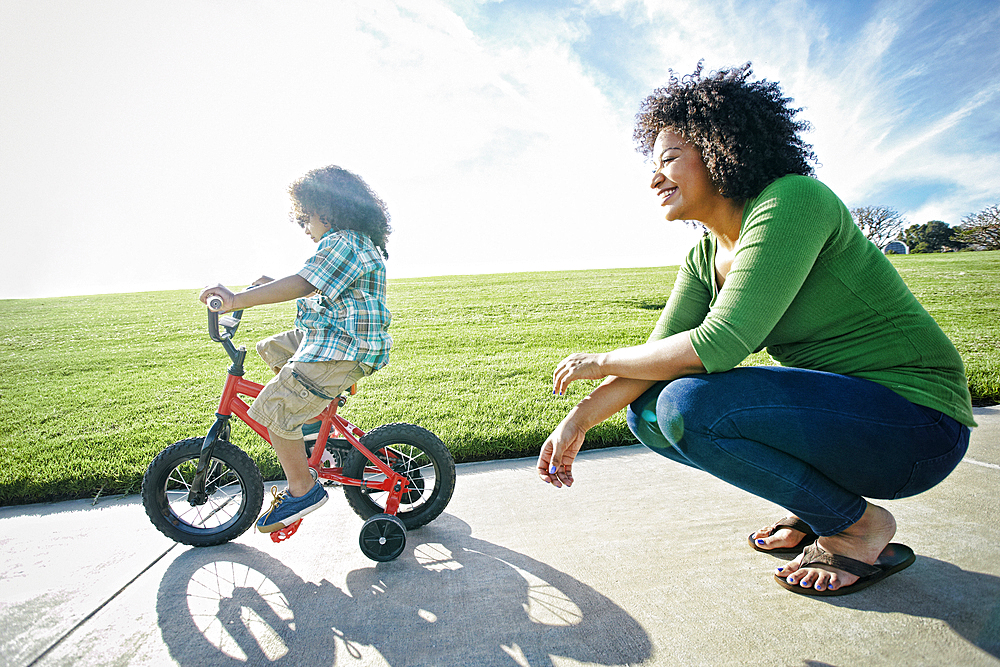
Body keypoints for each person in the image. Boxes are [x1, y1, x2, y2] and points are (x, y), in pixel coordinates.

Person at [536, 63, 976, 596]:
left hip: (917, 427)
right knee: (649, 413)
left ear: (722, 149)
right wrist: (576, 423)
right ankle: (822, 510)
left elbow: (719, 344)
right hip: (849, 425)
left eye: (670, 158)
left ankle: (859, 529)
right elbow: (658, 357)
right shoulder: (704, 253)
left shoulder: (793, 200)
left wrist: (602, 360)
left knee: (690, 405)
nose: (654, 179)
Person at [200, 165, 392, 533]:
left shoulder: (344, 242)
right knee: (271, 348)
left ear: (328, 209)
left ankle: (303, 488)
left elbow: (304, 284)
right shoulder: (351, 243)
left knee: (273, 406)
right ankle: (306, 420)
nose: (304, 227)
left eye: (305, 217)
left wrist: (237, 299)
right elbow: (319, 291)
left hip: (343, 348)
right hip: (334, 337)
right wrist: (269, 286)